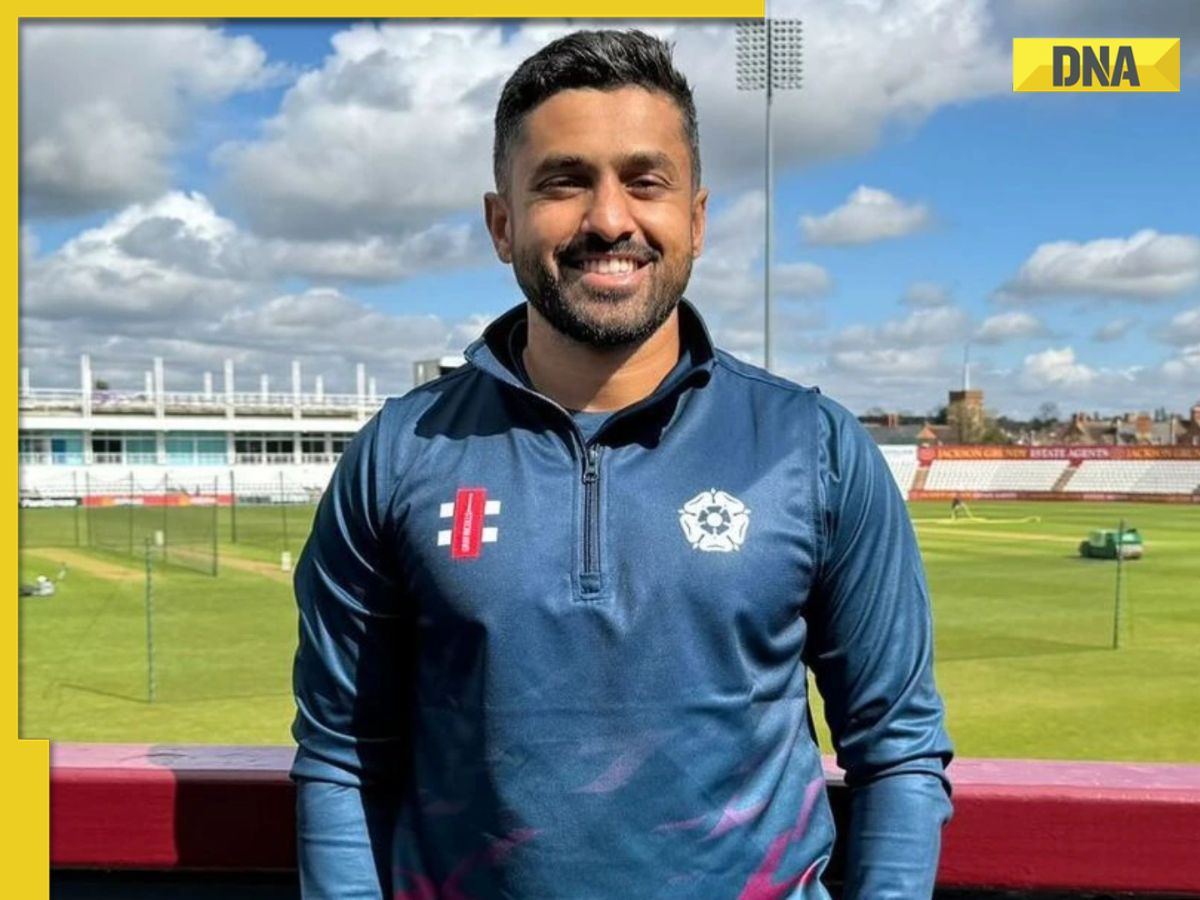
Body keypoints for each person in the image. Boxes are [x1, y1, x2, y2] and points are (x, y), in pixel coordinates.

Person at [291, 29, 953, 899]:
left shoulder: (815, 448)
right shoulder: (400, 453)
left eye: (646, 181)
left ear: (697, 220)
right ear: (502, 224)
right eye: (564, 182)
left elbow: (898, 750)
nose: (609, 219)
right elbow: (342, 757)